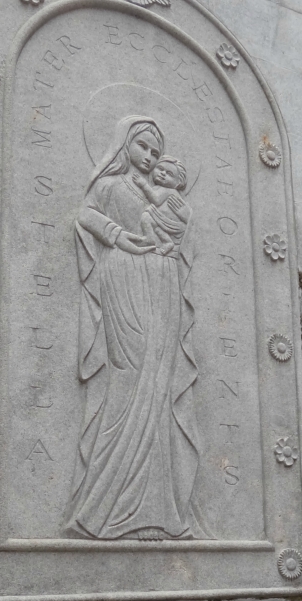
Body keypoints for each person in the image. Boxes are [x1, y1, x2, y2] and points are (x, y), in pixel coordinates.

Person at [64, 116, 205, 541]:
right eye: (142, 146)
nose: (149, 157)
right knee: (131, 377)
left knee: (157, 386)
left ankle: (158, 512)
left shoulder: (162, 193)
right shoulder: (110, 186)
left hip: (162, 281)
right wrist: (118, 236)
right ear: (125, 145)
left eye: (155, 152)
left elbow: (181, 228)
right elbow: (86, 215)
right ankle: (100, 509)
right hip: (124, 275)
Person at [133, 155, 192, 257]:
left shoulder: (169, 190)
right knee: (156, 226)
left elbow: (156, 200)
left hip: (170, 222)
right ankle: (167, 242)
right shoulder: (159, 187)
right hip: (163, 220)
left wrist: (143, 185)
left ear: (178, 183)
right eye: (160, 169)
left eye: (169, 174)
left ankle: (149, 239)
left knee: (146, 217)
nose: (163, 173)